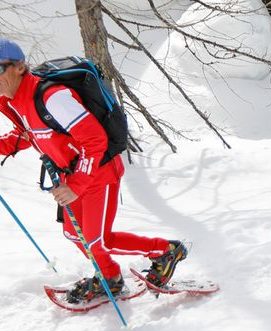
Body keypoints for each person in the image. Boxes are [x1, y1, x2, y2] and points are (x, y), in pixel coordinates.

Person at [0, 39, 187, 303]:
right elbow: (26, 135)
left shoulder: (52, 98)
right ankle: (110, 277)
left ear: (19, 67)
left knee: (98, 241)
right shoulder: (14, 101)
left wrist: (76, 185)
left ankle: (166, 250)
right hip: (70, 175)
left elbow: (95, 140)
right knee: (75, 235)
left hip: (98, 172)